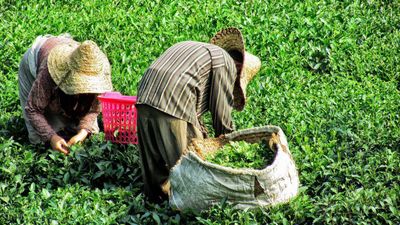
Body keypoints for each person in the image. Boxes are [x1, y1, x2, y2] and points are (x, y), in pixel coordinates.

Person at [136, 27, 261, 202]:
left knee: (154, 167)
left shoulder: (198, 50)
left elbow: (192, 93)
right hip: (173, 98)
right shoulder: (225, 63)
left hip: (144, 95)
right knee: (190, 165)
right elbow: (221, 112)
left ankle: (154, 202)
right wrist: (228, 145)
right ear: (238, 68)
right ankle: (187, 209)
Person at [18, 34, 113, 155]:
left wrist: (83, 132)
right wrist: (51, 137)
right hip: (36, 59)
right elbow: (33, 109)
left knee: (91, 132)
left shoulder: (99, 72)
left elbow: (94, 108)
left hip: (69, 52)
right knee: (39, 141)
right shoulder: (49, 71)